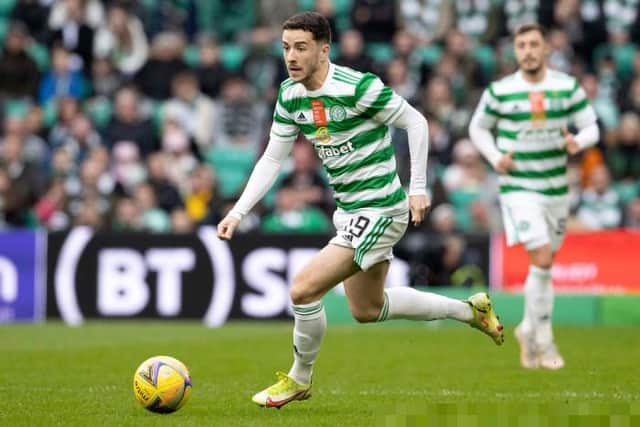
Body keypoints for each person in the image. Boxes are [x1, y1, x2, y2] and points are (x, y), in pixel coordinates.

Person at [217, 12, 504, 409]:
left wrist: (417, 188)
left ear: (324, 49)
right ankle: (470, 310)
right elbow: (271, 159)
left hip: (384, 209)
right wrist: (238, 212)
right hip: (350, 212)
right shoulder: (290, 95)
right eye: (286, 48)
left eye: (301, 47)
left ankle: (299, 379)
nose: (292, 57)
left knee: (303, 289)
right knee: (367, 309)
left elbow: (416, 123)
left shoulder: (358, 88)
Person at [468, 23, 599, 370]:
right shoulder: (500, 91)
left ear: (545, 49)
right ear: (515, 51)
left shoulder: (565, 87)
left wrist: (578, 142)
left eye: (533, 44)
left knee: (544, 266)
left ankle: (528, 329)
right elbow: (477, 128)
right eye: (521, 44)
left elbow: (592, 126)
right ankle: (545, 341)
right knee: (541, 258)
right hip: (519, 188)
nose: (527, 50)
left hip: (556, 189)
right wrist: (496, 157)